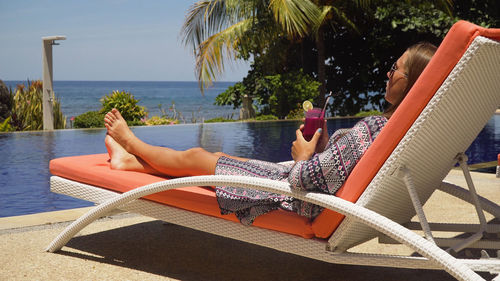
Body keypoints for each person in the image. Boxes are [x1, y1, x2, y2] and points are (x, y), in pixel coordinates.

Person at [104, 42, 437, 225]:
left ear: (413, 83)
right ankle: (130, 164)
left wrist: (305, 155)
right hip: (308, 194)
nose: (388, 73)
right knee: (213, 162)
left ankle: (132, 143)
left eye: (396, 69)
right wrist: (322, 147)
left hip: (295, 198)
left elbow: (305, 181)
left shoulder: (372, 129)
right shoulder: (403, 132)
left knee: (198, 158)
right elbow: (337, 173)